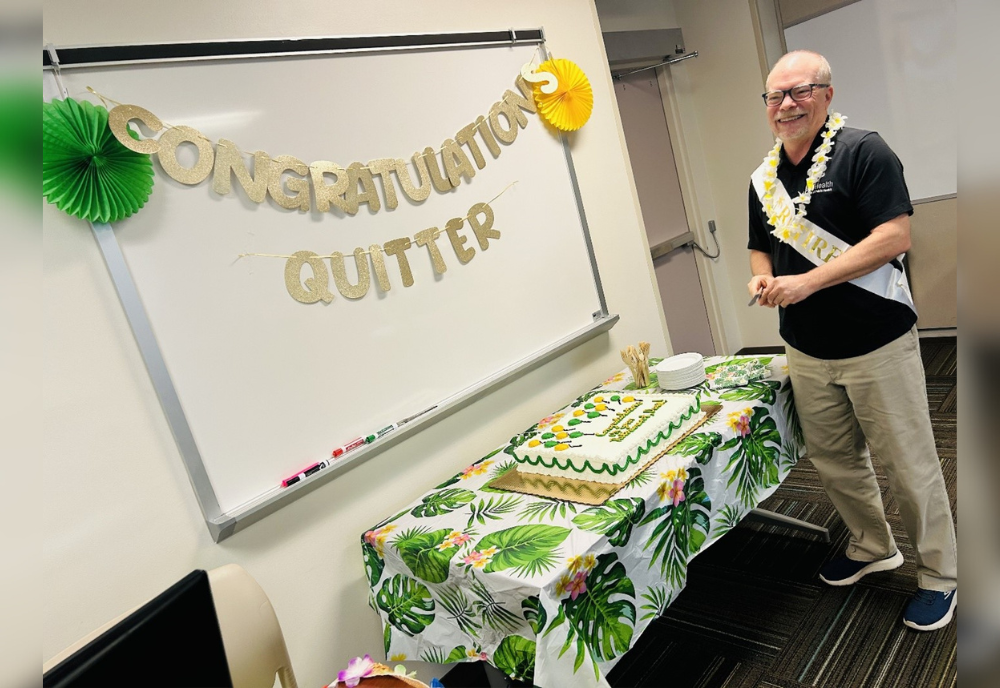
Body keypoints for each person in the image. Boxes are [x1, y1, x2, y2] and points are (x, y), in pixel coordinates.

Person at [746, 50, 957, 630]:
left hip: (876, 342)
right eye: (775, 96)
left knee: (909, 465)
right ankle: (871, 546)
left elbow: (893, 236)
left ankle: (940, 575)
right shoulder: (763, 178)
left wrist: (808, 281)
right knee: (836, 462)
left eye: (800, 91)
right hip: (807, 349)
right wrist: (761, 276)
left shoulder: (866, 151)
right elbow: (760, 244)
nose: (786, 104)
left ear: (827, 94)